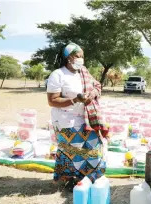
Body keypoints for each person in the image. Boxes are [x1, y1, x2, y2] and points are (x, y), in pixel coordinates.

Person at [47, 42, 109, 191]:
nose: (81, 59)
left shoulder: (84, 72)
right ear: (68, 58)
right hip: (66, 121)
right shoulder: (58, 75)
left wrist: (91, 95)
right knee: (73, 152)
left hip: (87, 120)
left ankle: (92, 178)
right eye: (77, 56)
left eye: (82, 56)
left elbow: (96, 86)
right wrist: (75, 99)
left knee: (94, 148)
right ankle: (72, 180)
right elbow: (52, 100)